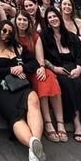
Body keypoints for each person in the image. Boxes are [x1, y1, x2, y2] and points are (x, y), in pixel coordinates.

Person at [0, 19, 46, 161]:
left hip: (20, 86)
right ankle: (33, 144)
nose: (6, 34)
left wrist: (22, 67)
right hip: (1, 89)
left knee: (33, 99)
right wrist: (10, 70)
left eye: (10, 32)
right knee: (16, 117)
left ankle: (35, 145)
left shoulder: (18, 48)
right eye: (4, 30)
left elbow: (34, 63)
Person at [41, 7, 81, 144]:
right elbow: (43, 58)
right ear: (47, 21)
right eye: (50, 18)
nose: (53, 19)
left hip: (75, 68)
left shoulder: (71, 36)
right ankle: (77, 123)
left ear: (59, 17)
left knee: (79, 83)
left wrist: (79, 68)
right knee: (68, 83)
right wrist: (54, 68)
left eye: (55, 16)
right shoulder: (44, 37)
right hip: (59, 70)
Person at [14, 9, 66, 144]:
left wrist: (42, 67)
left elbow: (39, 58)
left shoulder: (35, 37)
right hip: (21, 72)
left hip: (35, 68)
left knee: (48, 76)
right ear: (15, 21)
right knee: (42, 80)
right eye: (19, 19)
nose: (22, 22)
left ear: (29, 22)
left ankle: (60, 122)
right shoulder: (12, 37)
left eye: (25, 20)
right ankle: (48, 122)